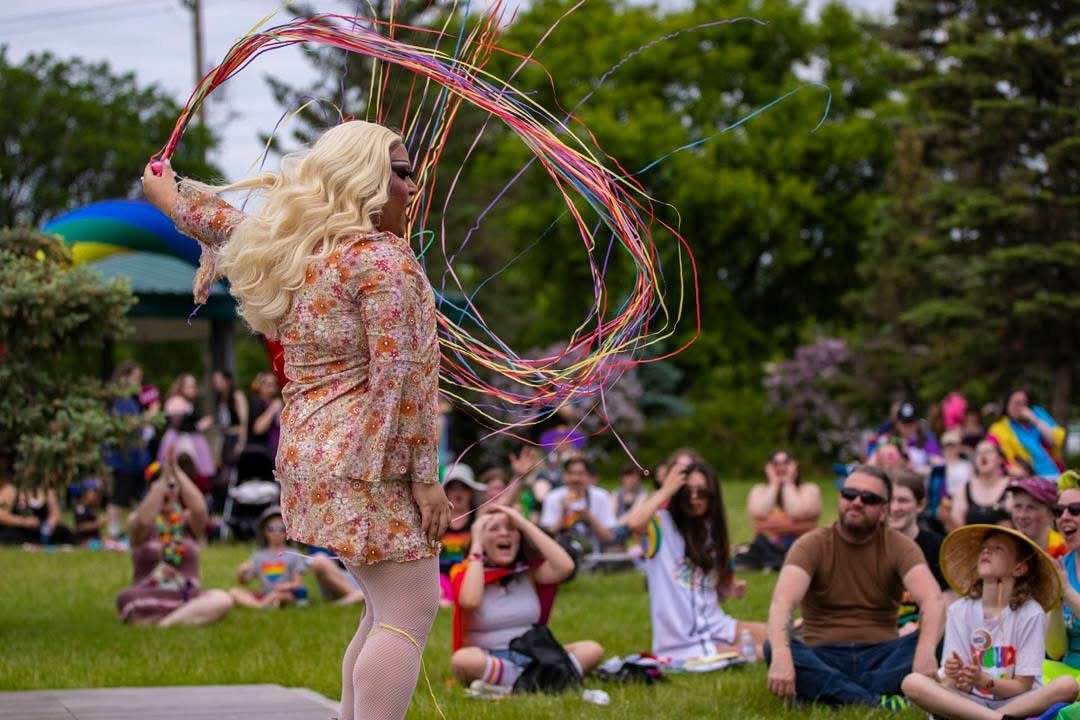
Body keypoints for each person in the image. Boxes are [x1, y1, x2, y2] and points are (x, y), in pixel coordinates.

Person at [143, 120, 451, 720]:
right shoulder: (381, 261)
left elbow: (230, 228)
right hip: (370, 459)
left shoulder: (299, 250)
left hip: (313, 454)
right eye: (401, 171)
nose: (414, 185)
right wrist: (424, 477)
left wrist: (172, 200)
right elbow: (403, 377)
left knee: (381, 609)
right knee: (409, 610)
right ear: (361, 178)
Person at [765, 465, 945, 709]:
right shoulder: (811, 544)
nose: (857, 502)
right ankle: (872, 702)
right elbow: (782, 603)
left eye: (869, 498)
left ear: (884, 510)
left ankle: (828, 696)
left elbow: (933, 599)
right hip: (823, 654)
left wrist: (925, 652)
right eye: (850, 494)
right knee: (773, 645)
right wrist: (782, 657)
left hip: (881, 656)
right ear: (840, 499)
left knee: (939, 636)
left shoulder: (900, 546)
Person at [901, 525, 1078, 719]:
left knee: (1067, 685)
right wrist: (957, 675)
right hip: (972, 701)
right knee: (913, 682)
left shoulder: (1030, 613)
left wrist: (984, 681)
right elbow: (958, 685)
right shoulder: (960, 610)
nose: (986, 551)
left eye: (998, 549)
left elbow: (1022, 686)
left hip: (1017, 702)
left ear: (1019, 568)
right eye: (984, 547)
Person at [450, 504, 602, 696]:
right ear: (479, 537)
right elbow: (469, 601)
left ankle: (519, 682)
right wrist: (477, 545)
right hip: (490, 656)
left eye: (511, 529)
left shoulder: (528, 573)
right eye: (494, 529)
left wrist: (523, 522)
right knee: (462, 661)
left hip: (533, 653)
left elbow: (566, 567)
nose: (504, 534)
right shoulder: (466, 572)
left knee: (592, 650)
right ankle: (548, 679)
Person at [625, 460, 767, 662]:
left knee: (781, 637)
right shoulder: (661, 526)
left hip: (716, 625)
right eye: (686, 492)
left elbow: (703, 586)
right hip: (682, 643)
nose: (694, 498)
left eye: (702, 493)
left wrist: (726, 590)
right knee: (766, 652)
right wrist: (666, 490)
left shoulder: (711, 530)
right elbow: (634, 523)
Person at [115, 456, 234, 625]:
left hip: (186, 595)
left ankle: (166, 623)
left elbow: (200, 509)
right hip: (147, 594)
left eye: (171, 486)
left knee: (223, 599)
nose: (166, 491)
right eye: (158, 487)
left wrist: (176, 471)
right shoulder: (139, 520)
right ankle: (183, 618)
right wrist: (161, 484)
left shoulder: (187, 520)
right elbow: (142, 521)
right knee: (126, 598)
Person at [737, 450, 821, 570]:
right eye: (775, 463)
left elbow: (797, 512)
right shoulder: (759, 490)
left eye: (786, 462)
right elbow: (759, 513)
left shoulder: (810, 489)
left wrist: (788, 482)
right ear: (769, 467)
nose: (781, 467)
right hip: (766, 546)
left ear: (794, 466)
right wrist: (774, 483)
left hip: (801, 546)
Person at [890, 469, 948, 635]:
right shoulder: (870, 545)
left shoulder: (937, 546)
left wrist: (918, 629)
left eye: (903, 501)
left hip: (923, 635)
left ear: (920, 505)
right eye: (889, 500)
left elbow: (948, 602)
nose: (895, 508)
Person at [229, 507, 308, 609]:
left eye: (281, 529)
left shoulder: (294, 554)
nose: (276, 533)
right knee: (234, 592)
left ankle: (260, 605)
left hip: (287, 594)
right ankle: (261, 605)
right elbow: (244, 582)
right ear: (264, 531)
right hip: (265, 594)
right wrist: (241, 572)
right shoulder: (258, 556)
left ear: (287, 531)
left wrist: (285, 586)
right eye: (271, 529)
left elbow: (298, 583)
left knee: (278, 596)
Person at [540, 456, 615, 554]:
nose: (575, 478)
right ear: (564, 476)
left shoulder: (601, 496)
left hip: (595, 554)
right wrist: (563, 515)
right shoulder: (553, 497)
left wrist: (589, 517)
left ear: (588, 476)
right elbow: (547, 537)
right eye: (571, 473)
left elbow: (608, 537)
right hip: (561, 554)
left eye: (580, 474)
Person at [1047, 470, 1080, 681]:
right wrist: (1056, 606)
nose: (1064, 517)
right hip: (1068, 675)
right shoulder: (1061, 566)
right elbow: (1056, 651)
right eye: (1059, 510)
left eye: (1075, 509)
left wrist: (1067, 592)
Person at [988, 389, 1066, 478]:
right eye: (1016, 403)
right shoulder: (998, 429)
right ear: (1007, 405)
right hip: (1026, 478)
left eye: (1024, 403)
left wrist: (1035, 420)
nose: (1021, 408)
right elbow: (995, 456)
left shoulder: (1038, 414)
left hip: (1053, 472)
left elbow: (1055, 440)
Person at [157, 373, 216, 488]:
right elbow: (178, 426)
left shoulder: (186, 402)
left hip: (190, 441)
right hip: (181, 443)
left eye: (194, 386)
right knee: (183, 473)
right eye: (190, 386)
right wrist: (199, 426)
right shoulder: (176, 401)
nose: (193, 389)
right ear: (181, 387)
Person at [439, 464, 485, 605]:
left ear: (471, 492)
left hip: (467, 576)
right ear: (445, 491)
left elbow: (502, 502)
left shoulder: (479, 517)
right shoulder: (436, 519)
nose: (458, 492)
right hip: (440, 579)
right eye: (453, 487)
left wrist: (519, 477)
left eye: (463, 487)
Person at [952, 441, 1012, 528]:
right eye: (979, 453)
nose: (983, 455)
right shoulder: (964, 489)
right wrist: (947, 520)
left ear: (1000, 459)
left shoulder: (1013, 487)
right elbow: (956, 529)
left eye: (988, 452)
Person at [211, 369, 248, 504]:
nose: (216, 384)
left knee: (232, 471)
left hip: (235, 436)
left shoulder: (237, 396)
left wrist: (241, 442)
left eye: (219, 381)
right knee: (222, 470)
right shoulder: (221, 398)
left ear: (227, 381)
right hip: (225, 438)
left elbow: (244, 421)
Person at [1008, 475, 1067, 559]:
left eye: (1031, 507)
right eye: (1018, 506)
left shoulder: (1065, 552)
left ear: (1050, 514)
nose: (1022, 515)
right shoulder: (1007, 548)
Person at [0, 481, 74, 545]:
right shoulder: (11, 489)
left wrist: (50, 524)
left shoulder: (46, 490)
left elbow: (55, 513)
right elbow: (1, 515)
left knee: (64, 532)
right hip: (18, 528)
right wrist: (24, 522)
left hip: (40, 529)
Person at [942, 429, 975, 499]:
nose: (950, 449)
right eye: (947, 446)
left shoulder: (967, 466)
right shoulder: (938, 467)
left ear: (959, 447)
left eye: (953, 446)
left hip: (964, 499)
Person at [74, 477, 105, 545]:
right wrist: (97, 524)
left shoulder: (90, 508)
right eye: (93, 492)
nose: (96, 495)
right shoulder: (80, 508)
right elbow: (80, 527)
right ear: (85, 493)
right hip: (85, 541)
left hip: (94, 539)